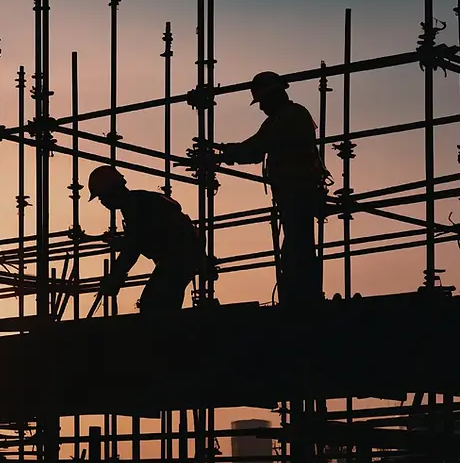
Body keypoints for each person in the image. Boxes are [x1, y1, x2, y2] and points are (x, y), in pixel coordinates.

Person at [217, 71, 332, 307]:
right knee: (297, 246)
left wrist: (227, 152)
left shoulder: (289, 117)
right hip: (295, 190)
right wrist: (227, 152)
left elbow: (258, 147)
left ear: (273, 95)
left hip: (298, 190)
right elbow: (258, 147)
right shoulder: (287, 116)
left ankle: (300, 299)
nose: (261, 108)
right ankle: (301, 295)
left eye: (262, 102)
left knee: (296, 250)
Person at [88, 165, 203, 313]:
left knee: (153, 304)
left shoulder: (135, 206)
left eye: (102, 196)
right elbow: (142, 238)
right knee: (161, 302)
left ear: (113, 191)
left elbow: (134, 247)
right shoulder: (139, 201)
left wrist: (115, 277)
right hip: (183, 254)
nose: (102, 202)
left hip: (179, 256)